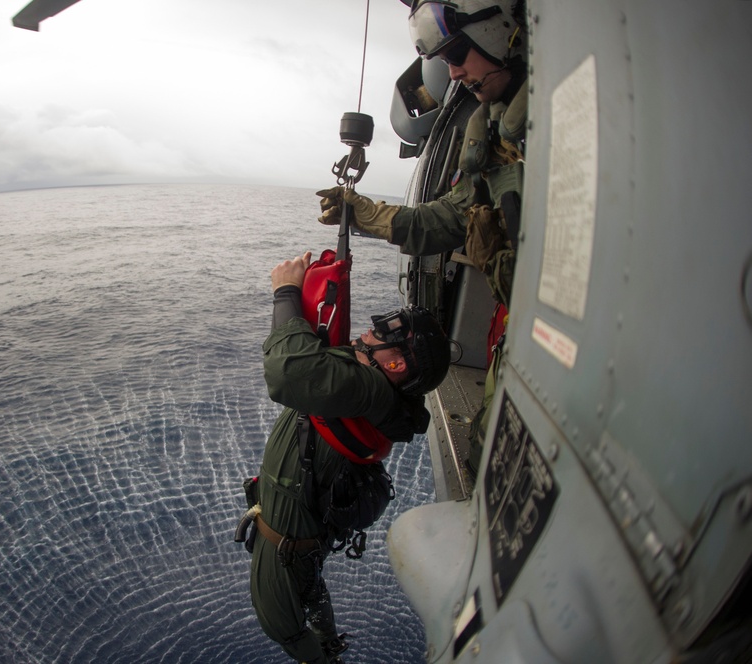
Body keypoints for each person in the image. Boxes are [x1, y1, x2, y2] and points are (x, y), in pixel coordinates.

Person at [318, 0, 528, 465]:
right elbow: (444, 219)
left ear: (497, 34)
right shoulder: (495, 138)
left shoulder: (570, 123)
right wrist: (363, 213)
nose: (454, 73)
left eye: (457, 56)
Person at [247, 251, 450, 663]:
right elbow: (326, 362)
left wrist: (286, 291)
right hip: (301, 538)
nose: (368, 334)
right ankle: (329, 641)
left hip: (286, 545)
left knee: (281, 624)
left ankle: (321, 658)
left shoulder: (367, 389)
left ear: (394, 364)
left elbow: (286, 371)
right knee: (311, 589)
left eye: (381, 335)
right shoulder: (374, 391)